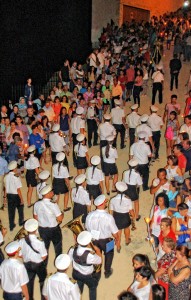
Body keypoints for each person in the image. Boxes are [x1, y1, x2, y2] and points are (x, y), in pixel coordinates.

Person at [85, 194, 120, 278]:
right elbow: (115, 232)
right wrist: (117, 239)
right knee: (109, 254)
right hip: (107, 240)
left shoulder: (89, 215)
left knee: (96, 255)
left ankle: (96, 270)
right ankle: (107, 271)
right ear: (103, 204)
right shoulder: (108, 217)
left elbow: (87, 228)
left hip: (94, 239)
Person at [18, 219, 47, 300]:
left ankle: (30, 298)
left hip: (27, 264)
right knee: (43, 281)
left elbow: (20, 254)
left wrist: (26, 257)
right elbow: (44, 256)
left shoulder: (21, 241)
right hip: (39, 264)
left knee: (29, 283)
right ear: (36, 230)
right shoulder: (39, 242)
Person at [69, 231, 102, 300]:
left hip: (76, 273)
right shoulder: (90, 255)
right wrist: (98, 250)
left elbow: (69, 259)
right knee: (92, 288)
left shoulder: (72, 249)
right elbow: (99, 261)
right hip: (87, 276)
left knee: (79, 286)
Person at [33, 184, 63, 258]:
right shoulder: (53, 204)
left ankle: (44, 265)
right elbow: (60, 219)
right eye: (51, 191)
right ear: (48, 194)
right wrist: (62, 214)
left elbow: (35, 216)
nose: (53, 193)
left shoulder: (37, 204)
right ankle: (59, 263)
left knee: (45, 249)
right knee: (58, 247)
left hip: (42, 229)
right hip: (54, 229)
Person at [110, 182, 135, 251]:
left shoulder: (112, 199)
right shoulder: (128, 200)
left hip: (116, 217)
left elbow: (111, 211)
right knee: (127, 228)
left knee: (118, 232)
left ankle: (118, 246)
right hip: (125, 217)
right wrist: (134, 217)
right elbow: (131, 210)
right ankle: (127, 240)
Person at [4, 161, 24, 231]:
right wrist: (21, 199)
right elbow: (18, 189)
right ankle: (21, 222)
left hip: (9, 196)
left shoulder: (6, 177)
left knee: (11, 211)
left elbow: (5, 188)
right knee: (20, 208)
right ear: (15, 168)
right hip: (16, 195)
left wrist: (5, 198)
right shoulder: (16, 177)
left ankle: (11, 225)